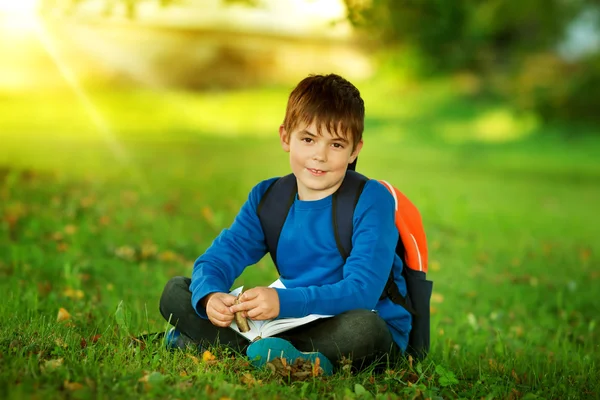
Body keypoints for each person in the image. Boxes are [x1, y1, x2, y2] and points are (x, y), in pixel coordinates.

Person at [159, 73, 411, 375]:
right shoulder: (269, 197)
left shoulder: (371, 199)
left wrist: (282, 301)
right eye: (308, 139)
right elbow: (220, 257)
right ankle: (282, 356)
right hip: (288, 322)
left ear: (355, 150)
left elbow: (362, 291)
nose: (319, 156)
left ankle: (217, 345)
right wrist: (212, 296)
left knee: (363, 328)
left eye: (336, 144)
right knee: (176, 291)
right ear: (285, 137)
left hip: (352, 321)